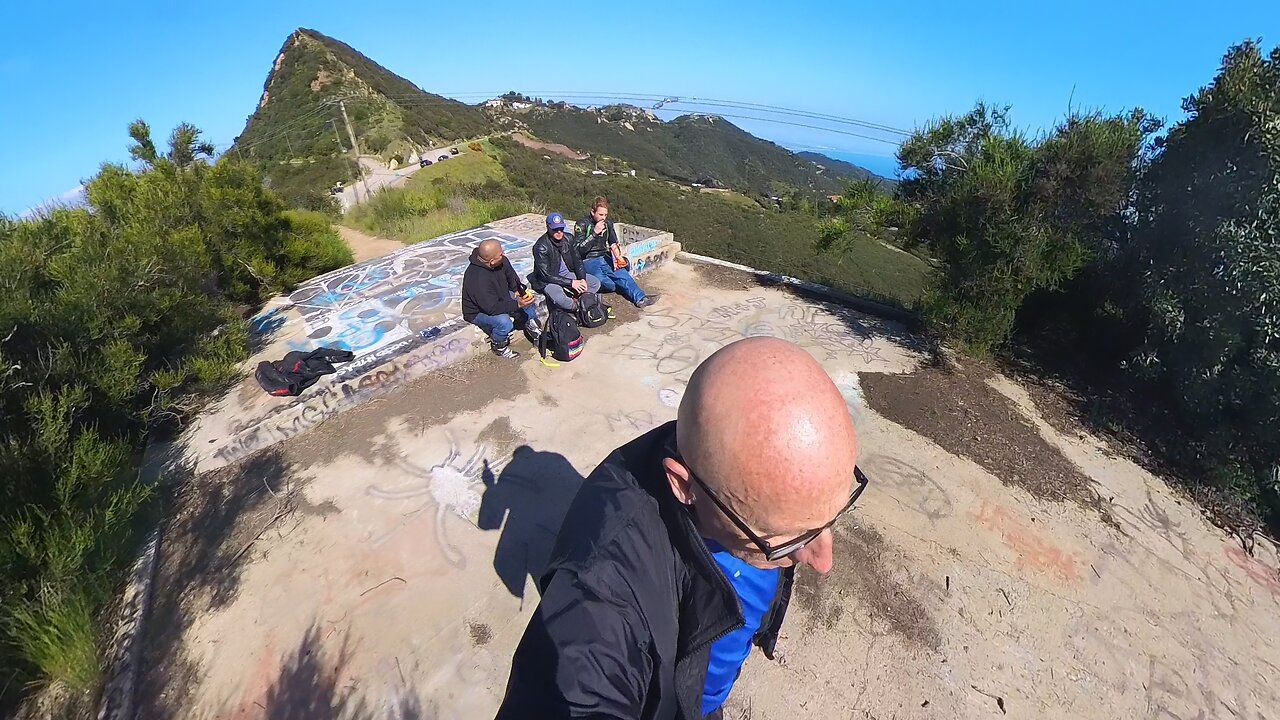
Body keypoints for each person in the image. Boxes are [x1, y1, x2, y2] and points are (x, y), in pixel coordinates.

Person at [496, 337, 865, 720]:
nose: (824, 562)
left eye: (830, 518)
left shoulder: (727, 464)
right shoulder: (597, 610)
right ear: (683, 485)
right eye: (784, 542)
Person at [462, 238, 540, 359]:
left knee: (527, 300)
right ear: (492, 261)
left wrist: (518, 290)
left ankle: (532, 328)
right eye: (500, 254)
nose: (503, 255)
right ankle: (498, 345)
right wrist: (517, 305)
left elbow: (512, 277)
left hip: (500, 296)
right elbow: (491, 308)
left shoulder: (501, 261)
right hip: (478, 311)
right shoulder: (477, 278)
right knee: (504, 322)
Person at [574, 196, 658, 308]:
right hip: (588, 259)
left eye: (605, 215)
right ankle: (613, 287)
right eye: (600, 215)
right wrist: (594, 233)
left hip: (604, 256)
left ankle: (640, 298)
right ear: (592, 212)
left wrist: (618, 255)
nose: (603, 218)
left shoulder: (607, 224)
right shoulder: (582, 224)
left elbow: (613, 241)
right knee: (610, 285)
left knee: (622, 275)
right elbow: (579, 249)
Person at [529, 212, 602, 313]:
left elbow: (578, 261)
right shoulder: (541, 247)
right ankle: (577, 307)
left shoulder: (569, 239)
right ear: (548, 228)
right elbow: (546, 275)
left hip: (566, 274)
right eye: (555, 229)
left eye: (561, 228)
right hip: (549, 280)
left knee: (595, 283)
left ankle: (581, 301)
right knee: (560, 297)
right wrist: (571, 283)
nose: (559, 232)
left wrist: (582, 279)